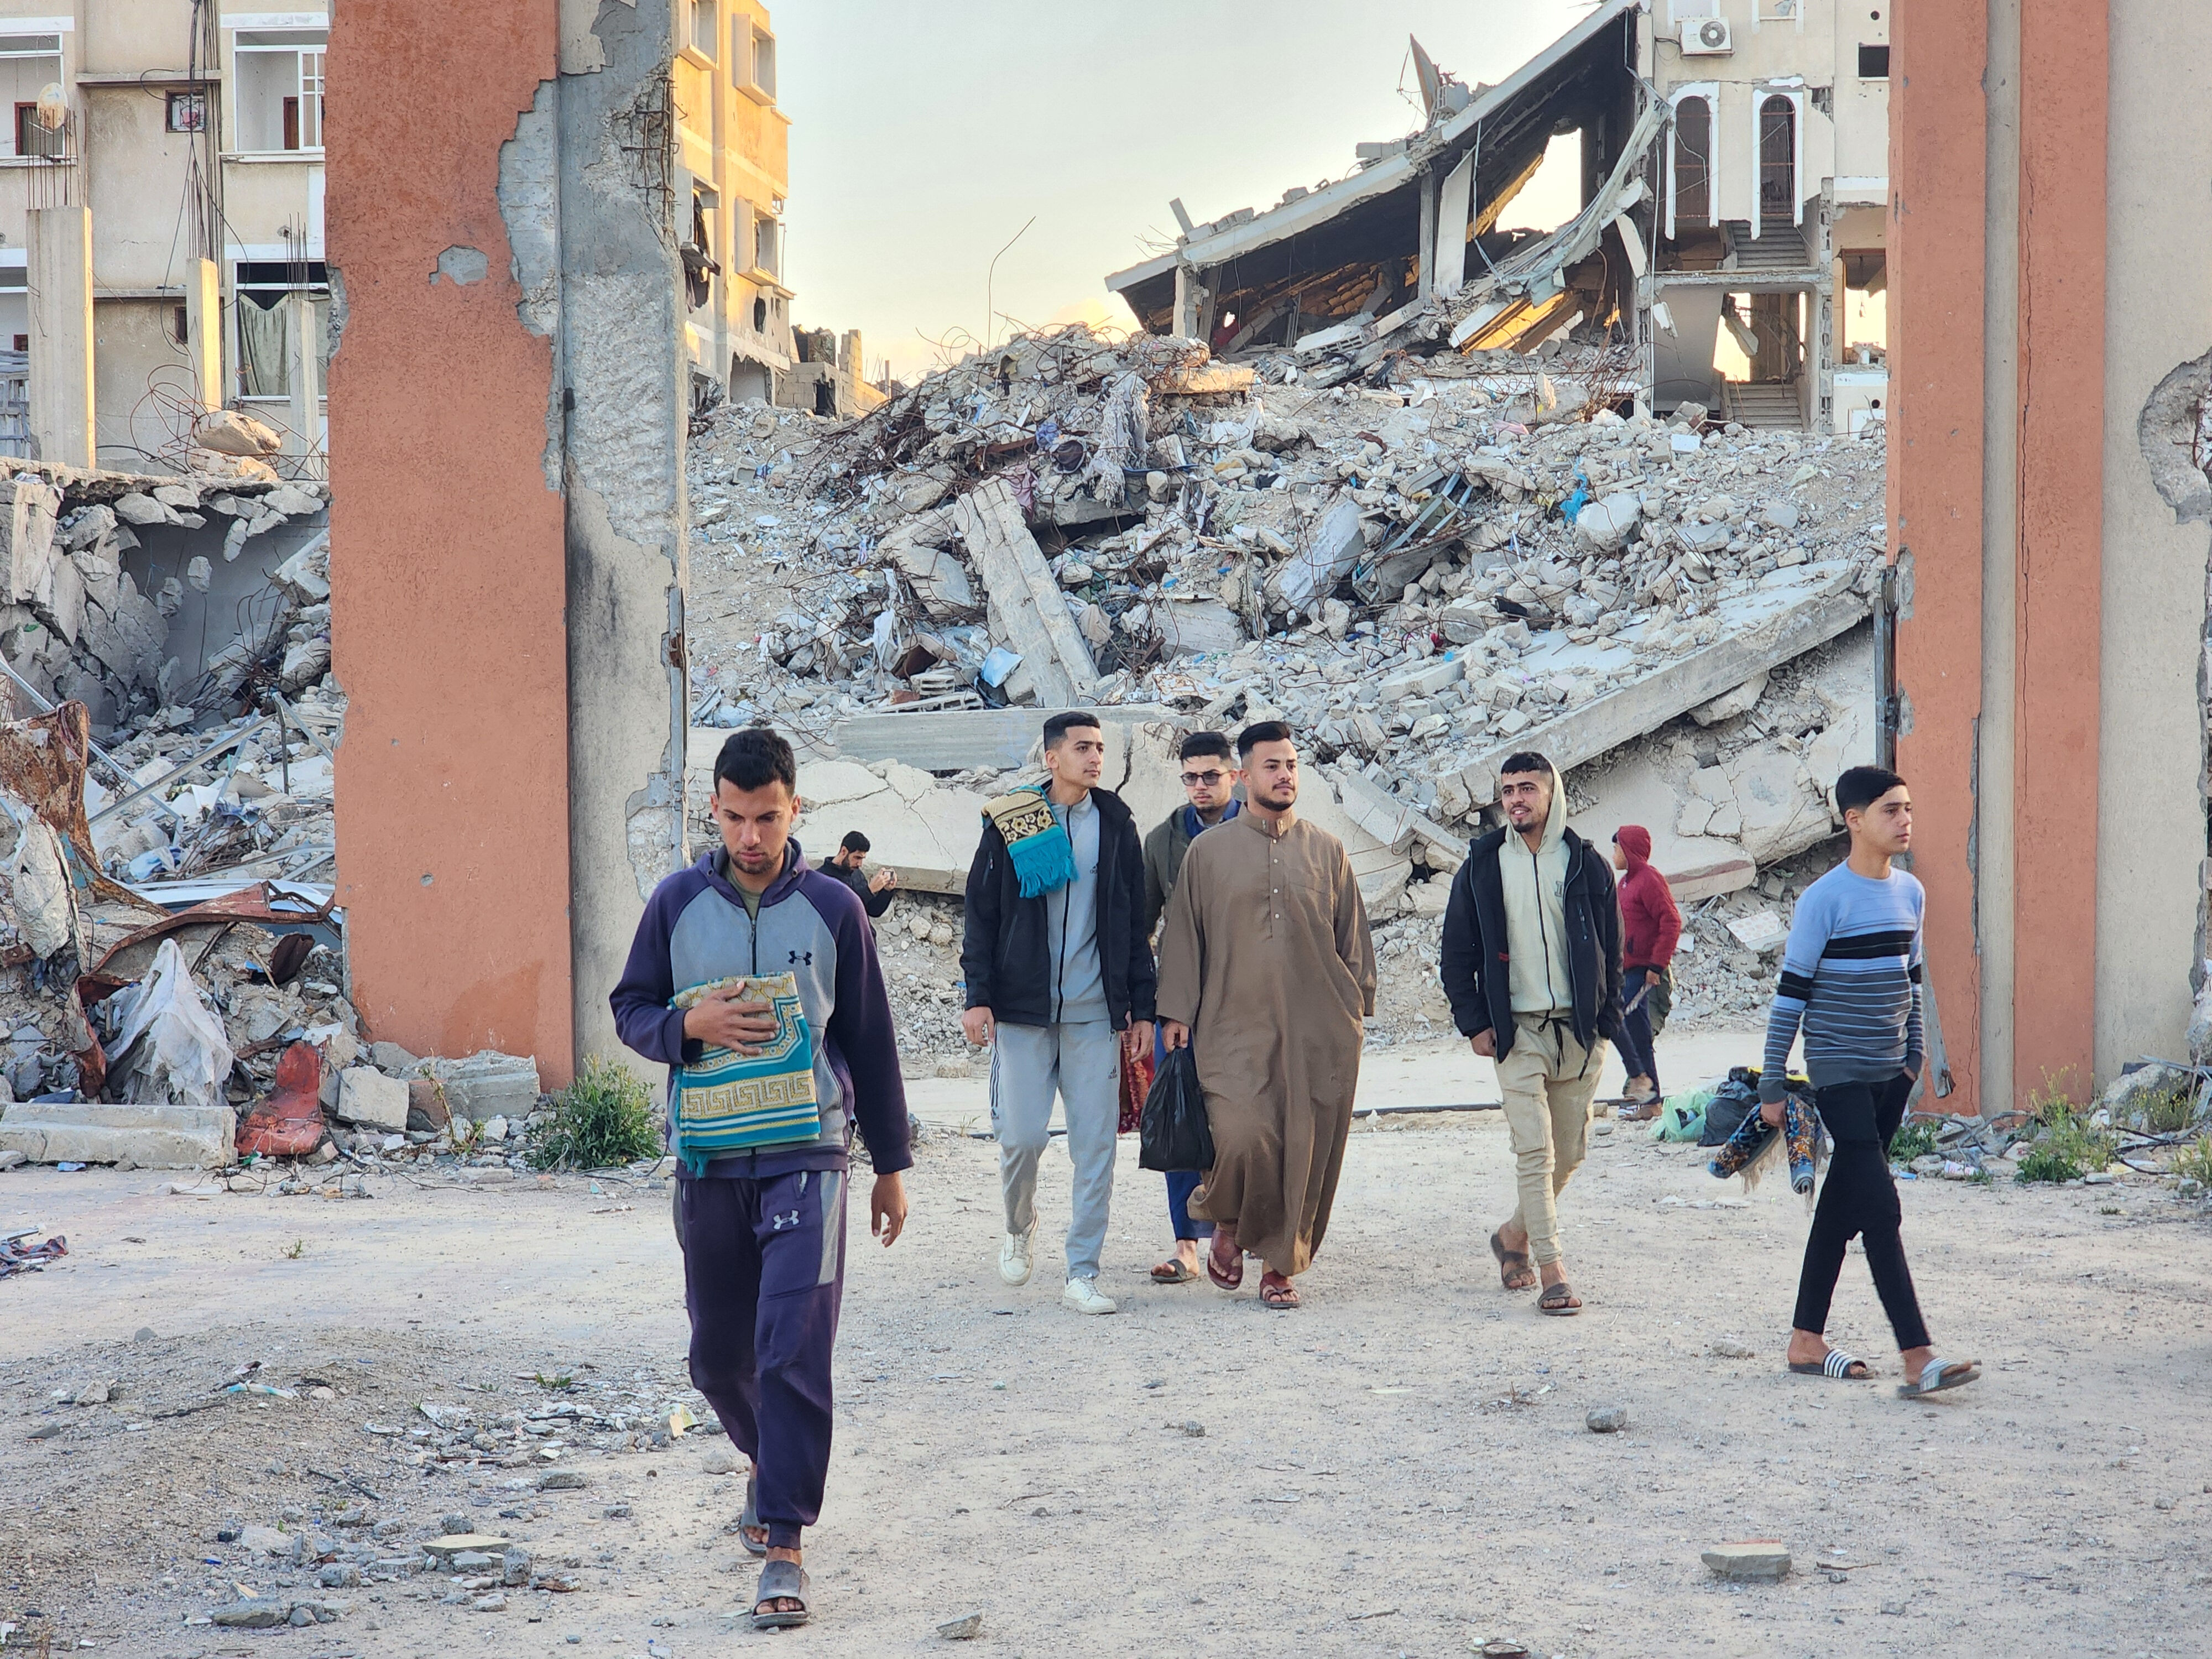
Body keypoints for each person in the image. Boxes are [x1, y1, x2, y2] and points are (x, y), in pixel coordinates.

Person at [611, 726, 910, 1632]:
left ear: (794, 809)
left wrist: (891, 1167)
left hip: (809, 1157)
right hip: (707, 1160)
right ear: (714, 810)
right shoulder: (674, 904)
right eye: (736, 818)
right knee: (717, 1357)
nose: (751, 837)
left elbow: (870, 1040)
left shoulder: (835, 909)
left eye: (768, 818)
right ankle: (765, 1460)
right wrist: (687, 1028)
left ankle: (785, 1540)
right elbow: (629, 1007)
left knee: (792, 1347)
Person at [1760, 765, 1979, 1397]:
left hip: (1890, 1076)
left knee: (1842, 1205)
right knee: (1881, 1208)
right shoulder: (1822, 900)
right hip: (1838, 1075)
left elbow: (1911, 980)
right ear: (1853, 820)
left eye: (1907, 808)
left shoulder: (1910, 892)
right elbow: (1789, 998)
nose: (1904, 820)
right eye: (1890, 810)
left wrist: (1914, 1060)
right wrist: (1771, 1084)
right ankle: (1918, 1357)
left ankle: (1805, 1340)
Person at [1156, 722, 1375, 1310]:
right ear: (1244, 776)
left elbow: (1352, 939)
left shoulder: (1327, 850)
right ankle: (1228, 1221)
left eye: (1291, 765)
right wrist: (1175, 1011)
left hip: (1317, 1029)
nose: (1285, 776)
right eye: (1272, 766)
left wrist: (1357, 1007)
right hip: (1230, 1025)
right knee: (1240, 1135)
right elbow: (1183, 937)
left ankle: (1280, 1266)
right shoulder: (1207, 853)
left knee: (1304, 1148)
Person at [959, 710, 1154, 1315]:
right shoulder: (1010, 821)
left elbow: (1134, 925)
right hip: (1022, 1011)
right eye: (1082, 748)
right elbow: (981, 914)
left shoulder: (1116, 824)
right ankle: (1019, 1227)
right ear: (1052, 758)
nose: (1095, 758)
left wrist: (1142, 1009)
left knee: (1095, 1147)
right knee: (1021, 1138)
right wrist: (977, 996)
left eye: (1100, 748)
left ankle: (1082, 1272)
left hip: (1095, 1013)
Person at [1439, 752, 1622, 1317]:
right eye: (1507, 790)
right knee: (1535, 1151)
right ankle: (1553, 1271)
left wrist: (1608, 1022)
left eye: (1527, 788)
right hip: (1516, 1032)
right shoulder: (1482, 865)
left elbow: (1613, 949)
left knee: (1568, 1154)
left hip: (1579, 1032)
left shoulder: (1586, 863)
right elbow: (1456, 952)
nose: (1515, 799)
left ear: (1551, 793)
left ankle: (1513, 1235)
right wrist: (1474, 1021)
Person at [1140, 731, 1241, 1284]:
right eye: (1191, 777)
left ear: (1234, 776)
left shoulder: (1260, 830)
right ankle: (1185, 1244)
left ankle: (1243, 1231)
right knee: (1179, 1119)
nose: (1200, 786)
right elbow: (1140, 924)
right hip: (1181, 1006)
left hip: (1249, 1003)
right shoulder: (1163, 840)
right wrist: (1144, 1007)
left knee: (1245, 1123)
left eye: (1211, 776)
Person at [1609, 825, 1681, 1117]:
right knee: (1638, 1033)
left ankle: (1642, 1085)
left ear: (1629, 851)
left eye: (1617, 849)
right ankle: (1650, 1100)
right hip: (1625, 969)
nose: (1614, 855)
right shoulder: (1625, 884)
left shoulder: (1650, 880)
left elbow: (1671, 921)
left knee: (1618, 1019)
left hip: (1643, 969)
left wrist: (1657, 965)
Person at [821, 830, 897, 922]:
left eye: (862, 859)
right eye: (857, 858)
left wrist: (886, 891)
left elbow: (873, 910)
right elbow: (840, 911)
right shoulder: (822, 878)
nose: (860, 864)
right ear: (844, 851)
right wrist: (869, 891)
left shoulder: (856, 874)